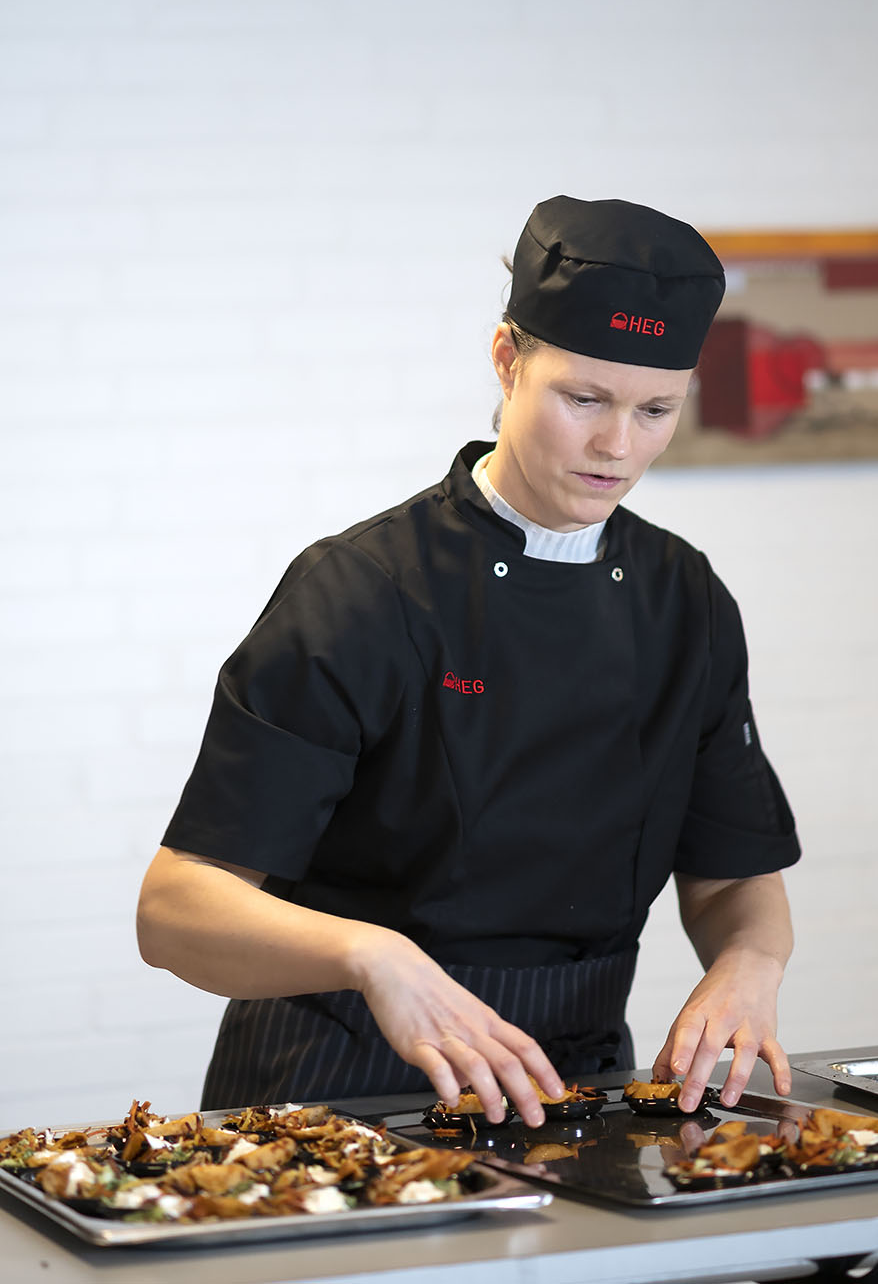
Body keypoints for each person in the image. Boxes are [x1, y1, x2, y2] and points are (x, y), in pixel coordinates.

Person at [137, 195, 800, 1131]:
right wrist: (377, 958)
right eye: (585, 399)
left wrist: (749, 963)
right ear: (506, 360)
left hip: (574, 1094)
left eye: (657, 410)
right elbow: (174, 908)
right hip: (342, 1085)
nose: (619, 444)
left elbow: (734, 877)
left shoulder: (682, 598)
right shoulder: (362, 590)